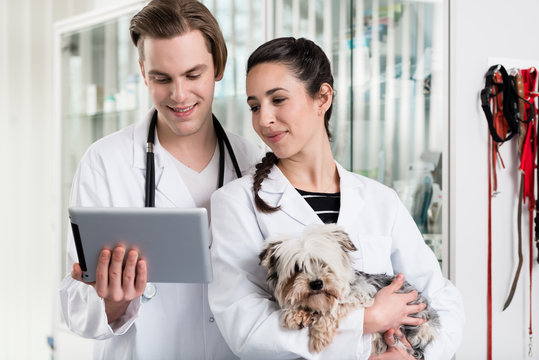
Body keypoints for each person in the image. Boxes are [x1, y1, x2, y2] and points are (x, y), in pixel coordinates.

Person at [208, 37, 464, 359]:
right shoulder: (235, 203)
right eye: (255, 106)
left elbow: (441, 299)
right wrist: (366, 321)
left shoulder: (379, 200)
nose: (264, 119)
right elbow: (247, 329)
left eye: (278, 100)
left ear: (323, 97)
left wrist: (413, 357)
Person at [58, 0, 262, 358]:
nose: (179, 95)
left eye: (193, 74)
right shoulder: (106, 162)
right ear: (142, 71)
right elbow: (76, 303)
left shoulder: (255, 165)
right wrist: (113, 302)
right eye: (162, 78)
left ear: (218, 65)